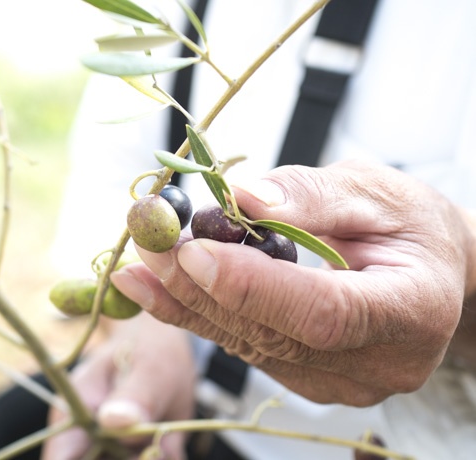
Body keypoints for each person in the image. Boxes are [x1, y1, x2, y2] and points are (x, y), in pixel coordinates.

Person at [44, 0, 476, 458]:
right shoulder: (165, 16)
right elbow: (106, 182)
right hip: (202, 422)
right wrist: (146, 335)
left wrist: (464, 272)